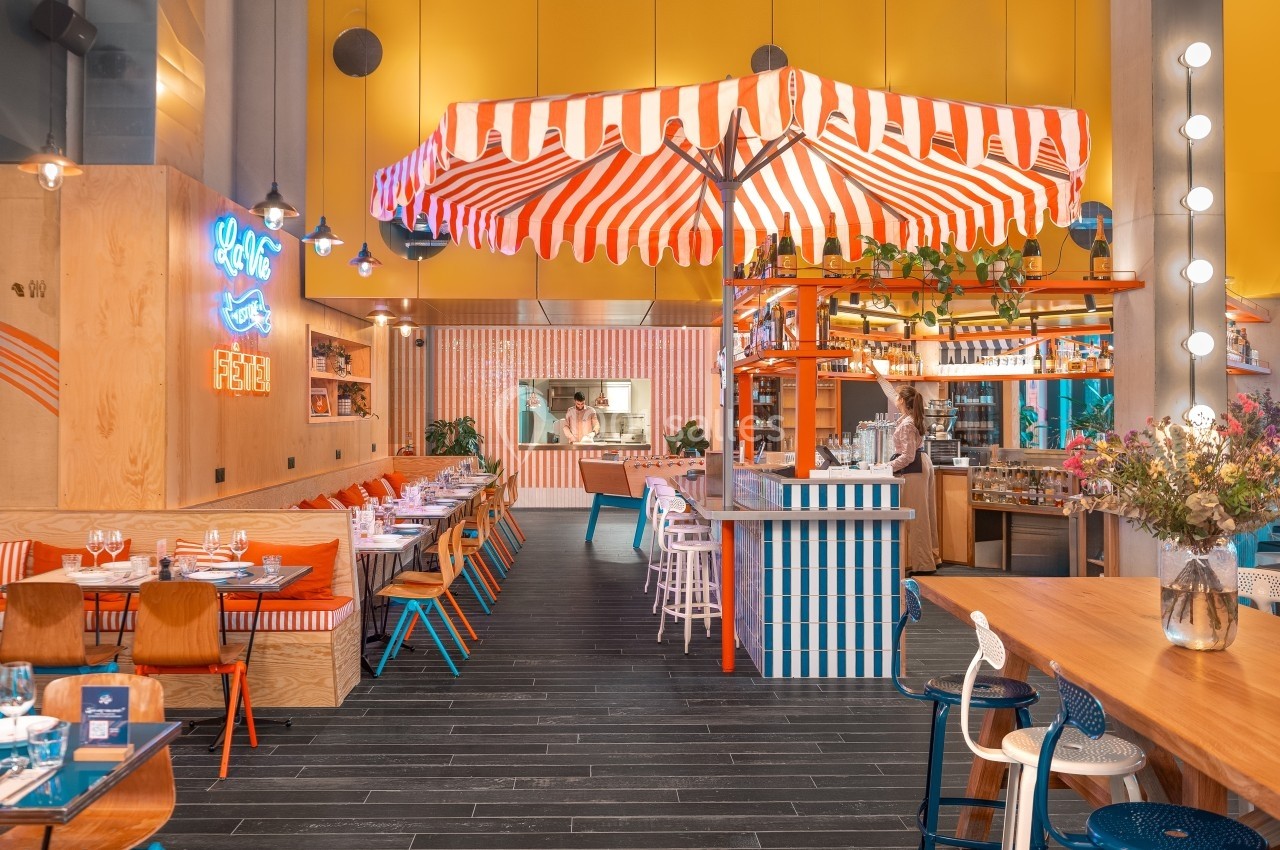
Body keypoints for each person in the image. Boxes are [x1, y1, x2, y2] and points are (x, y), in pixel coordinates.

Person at [867, 359, 939, 575]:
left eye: (897, 397)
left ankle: (923, 565)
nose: (894, 398)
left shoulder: (907, 424)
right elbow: (890, 391)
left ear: (903, 401)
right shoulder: (910, 416)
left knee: (916, 517)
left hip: (915, 467)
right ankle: (933, 555)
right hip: (922, 463)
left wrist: (885, 466)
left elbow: (907, 456)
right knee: (927, 514)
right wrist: (876, 373)